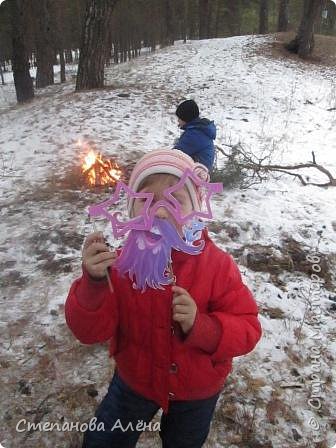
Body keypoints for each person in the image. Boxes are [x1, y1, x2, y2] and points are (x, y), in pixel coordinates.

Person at [65, 149, 262, 448]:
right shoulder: (121, 267)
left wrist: (201, 325)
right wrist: (94, 283)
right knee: (103, 441)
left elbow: (247, 329)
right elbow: (90, 332)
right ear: (132, 210)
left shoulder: (217, 266)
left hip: (196, 390)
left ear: (194, 208)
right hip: (135, 380)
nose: (158, 212)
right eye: (146, 201)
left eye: (174, 201)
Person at [174, 100, 216, 171]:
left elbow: (176, 155)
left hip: (197, 173)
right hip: (197, 169)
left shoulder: (195, 134)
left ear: (186, 118)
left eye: (179, 118)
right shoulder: (198, 129)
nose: (178, 121)